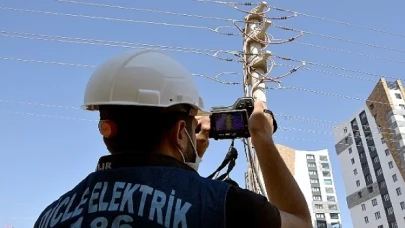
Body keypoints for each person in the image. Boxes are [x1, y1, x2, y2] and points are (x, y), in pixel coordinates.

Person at [33, 50, 311, 228]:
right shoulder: (225, 205)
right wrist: (261, 137)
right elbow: (300, 222)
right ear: (180, 133)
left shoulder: (50, 216)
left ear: (106, 128)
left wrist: (189, 162)